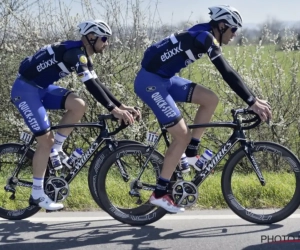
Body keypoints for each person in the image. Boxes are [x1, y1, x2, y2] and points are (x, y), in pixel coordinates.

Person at [134, 5, 272, 213]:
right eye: (233, 29)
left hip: (165, 79)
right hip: (150, 82)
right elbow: (226, 71)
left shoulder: (205, 34)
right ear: (222, 25)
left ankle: (191, 154)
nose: (235, 34)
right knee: (181, 135)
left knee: (210, 99)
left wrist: (251, 99)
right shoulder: (205, 37)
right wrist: (252, 101)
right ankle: (160, 194)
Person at [11, 20, 140, 211]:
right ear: (91, 37)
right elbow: (90, 86)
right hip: (25, 91)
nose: (107, 43)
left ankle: (56, 147)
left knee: (78, 105)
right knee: (44, 141)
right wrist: (114, 110)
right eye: (104, 38)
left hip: (42, 89)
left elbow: (98, 84)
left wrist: (121, 106)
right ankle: (37, 194)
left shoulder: (81, 54)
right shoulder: (75, 54)